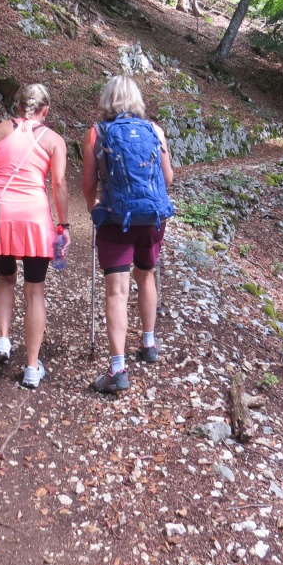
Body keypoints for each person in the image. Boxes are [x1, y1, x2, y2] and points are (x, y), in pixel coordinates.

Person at [0, 83, 70, 390]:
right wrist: (63, 225)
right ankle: (32, 368)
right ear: (45, 110)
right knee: (34, 290)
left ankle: (2, 339)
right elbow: (59, 184)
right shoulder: (53, 139)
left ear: (18, 106)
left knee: (5, 277)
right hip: (34, 218)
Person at [82, 75, 174, 394]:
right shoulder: (155, 131)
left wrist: (94, 208)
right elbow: (168, 178)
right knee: (146, 275)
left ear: (106, 99)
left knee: (117, 292)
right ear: (137, 99)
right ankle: (148, 344)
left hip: (115, 219)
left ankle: (118, 368)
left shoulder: (96, 133)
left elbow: (89, 184)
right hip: (151, 219)